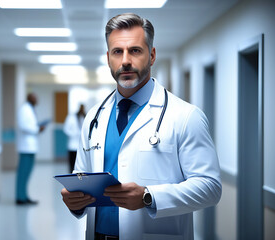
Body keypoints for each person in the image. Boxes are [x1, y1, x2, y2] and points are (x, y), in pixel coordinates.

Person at [60, 13, 221, 240]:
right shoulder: (94, 116)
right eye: (117, 52)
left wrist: (149, 196)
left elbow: (210, 188)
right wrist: (75, 202)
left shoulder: (185, 116)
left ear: (152, 55)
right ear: (108, 58)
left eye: (135, 50)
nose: (125, 60)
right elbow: (81, 177)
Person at [16, 93, 45, 205]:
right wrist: (37, 129)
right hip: (25, 147)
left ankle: (24, 196)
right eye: (35, 97)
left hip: (30, 147)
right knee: (22, 173)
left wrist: (37, 127)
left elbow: (30, 124)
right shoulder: (24, 109)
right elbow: (23, 126)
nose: (37, 99)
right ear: (30, 98)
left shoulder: (30, 109)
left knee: (27, 173)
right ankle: (20, 197)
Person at [63, 104, 86, 173]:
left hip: (82, 147)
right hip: (72, 145)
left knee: (81, 166)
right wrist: (74, 134)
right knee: (72, 165)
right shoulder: (71, 117)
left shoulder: (85, 117)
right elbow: (66, 129)